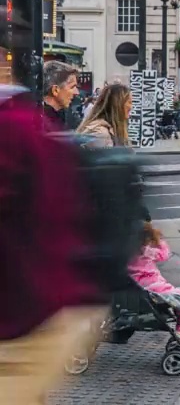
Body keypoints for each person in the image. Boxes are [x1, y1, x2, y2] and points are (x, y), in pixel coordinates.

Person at [0, 84, 103, 403]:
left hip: (22, 320)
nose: (74, 91)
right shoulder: (24, 125)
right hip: (46, 312)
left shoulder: (12, 131)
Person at [129, 221, 180, 343]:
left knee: (176, 296)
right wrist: (159, 241)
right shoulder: (147, 251)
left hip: (137, 289)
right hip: (154, 288)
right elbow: (164, 255)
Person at [77, 83, 133, 149]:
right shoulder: (100, 134)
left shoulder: (113, 131)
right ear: (118, 104)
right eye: (129, 102)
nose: (131, 107)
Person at [42, 61, 80, 130]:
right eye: (72, 87)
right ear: (55, 90)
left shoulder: (66, 117)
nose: (77, 92)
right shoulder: (39, 125)